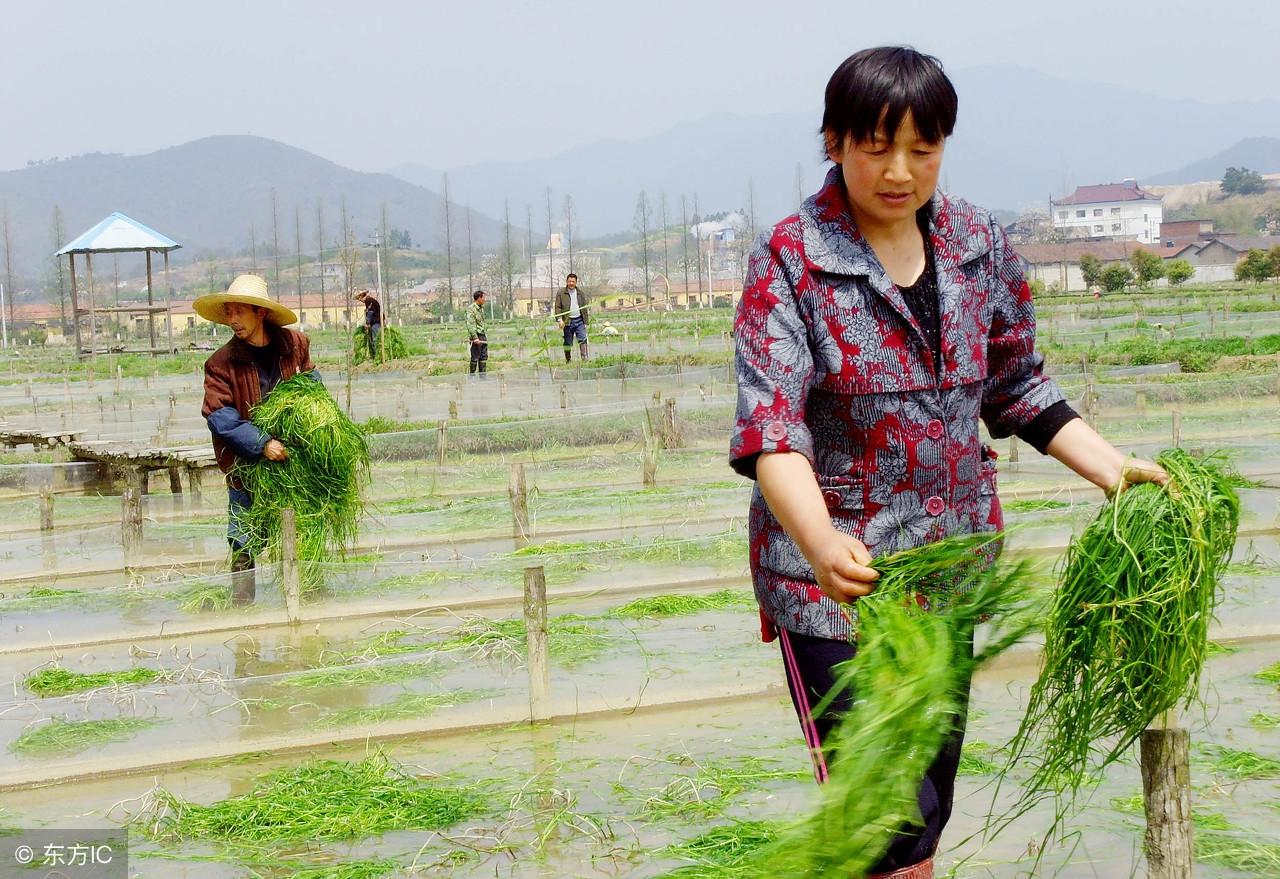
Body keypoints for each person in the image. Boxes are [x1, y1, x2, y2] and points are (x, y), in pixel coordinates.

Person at [729, 47, 1167, 879]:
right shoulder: (790, 259)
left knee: (929, 802)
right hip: (834, 585)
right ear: (834, 142)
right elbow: (771, 428)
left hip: (950, 567)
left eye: (922, 149)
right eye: (875, 147)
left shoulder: (976, 242)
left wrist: (1112, 467)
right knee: (881, 814)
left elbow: (1017, 383)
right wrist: (821, 542)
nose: (900, 171)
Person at [196, 274, 320, 606]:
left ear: (260, 312)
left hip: (296, 464)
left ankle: (307, 600)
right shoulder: (220, 364)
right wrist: (262, 443)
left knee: (306, 530)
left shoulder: (295, 346)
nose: (233, 320)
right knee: (243, 536)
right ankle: (242, 607)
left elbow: (313, 389)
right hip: (246, 467)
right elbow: (220, 416)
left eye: (240, 312)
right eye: (229, 313)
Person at [554, 272, 591, 362]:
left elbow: (584, 308)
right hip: (567, 322)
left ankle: (585, 359)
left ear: (576, 282)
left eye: (573, 282)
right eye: (569, 281)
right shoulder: (561, 293)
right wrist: (559, 320)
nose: (571, 283)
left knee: (583, 339)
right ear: (566, 282)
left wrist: (586, 322)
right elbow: (557, 307)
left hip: (579, 321)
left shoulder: (580, 293)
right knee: (568, 342)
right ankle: (568, 360)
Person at [466, 289, 489, 375]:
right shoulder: (471, 309)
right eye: (483, 297)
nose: (484, 299)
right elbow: (470, 324)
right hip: (476, 335)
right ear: (479, 298)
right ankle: (472, 378)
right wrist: (475, 337)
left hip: (482, 334)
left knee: (483, 357)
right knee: (475, 357)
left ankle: (482, 378)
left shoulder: (481, 309)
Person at [355, 289, 382, 360]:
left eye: (359, 299)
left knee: (375, 339)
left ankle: (377, 356)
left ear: (362, 296)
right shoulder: (369, 301)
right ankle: (375, 356)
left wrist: (367, 323)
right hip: (375, 322)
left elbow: (370, 312)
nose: (360, 300)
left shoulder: (368, 300)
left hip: (376, 322)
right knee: (374, 339)